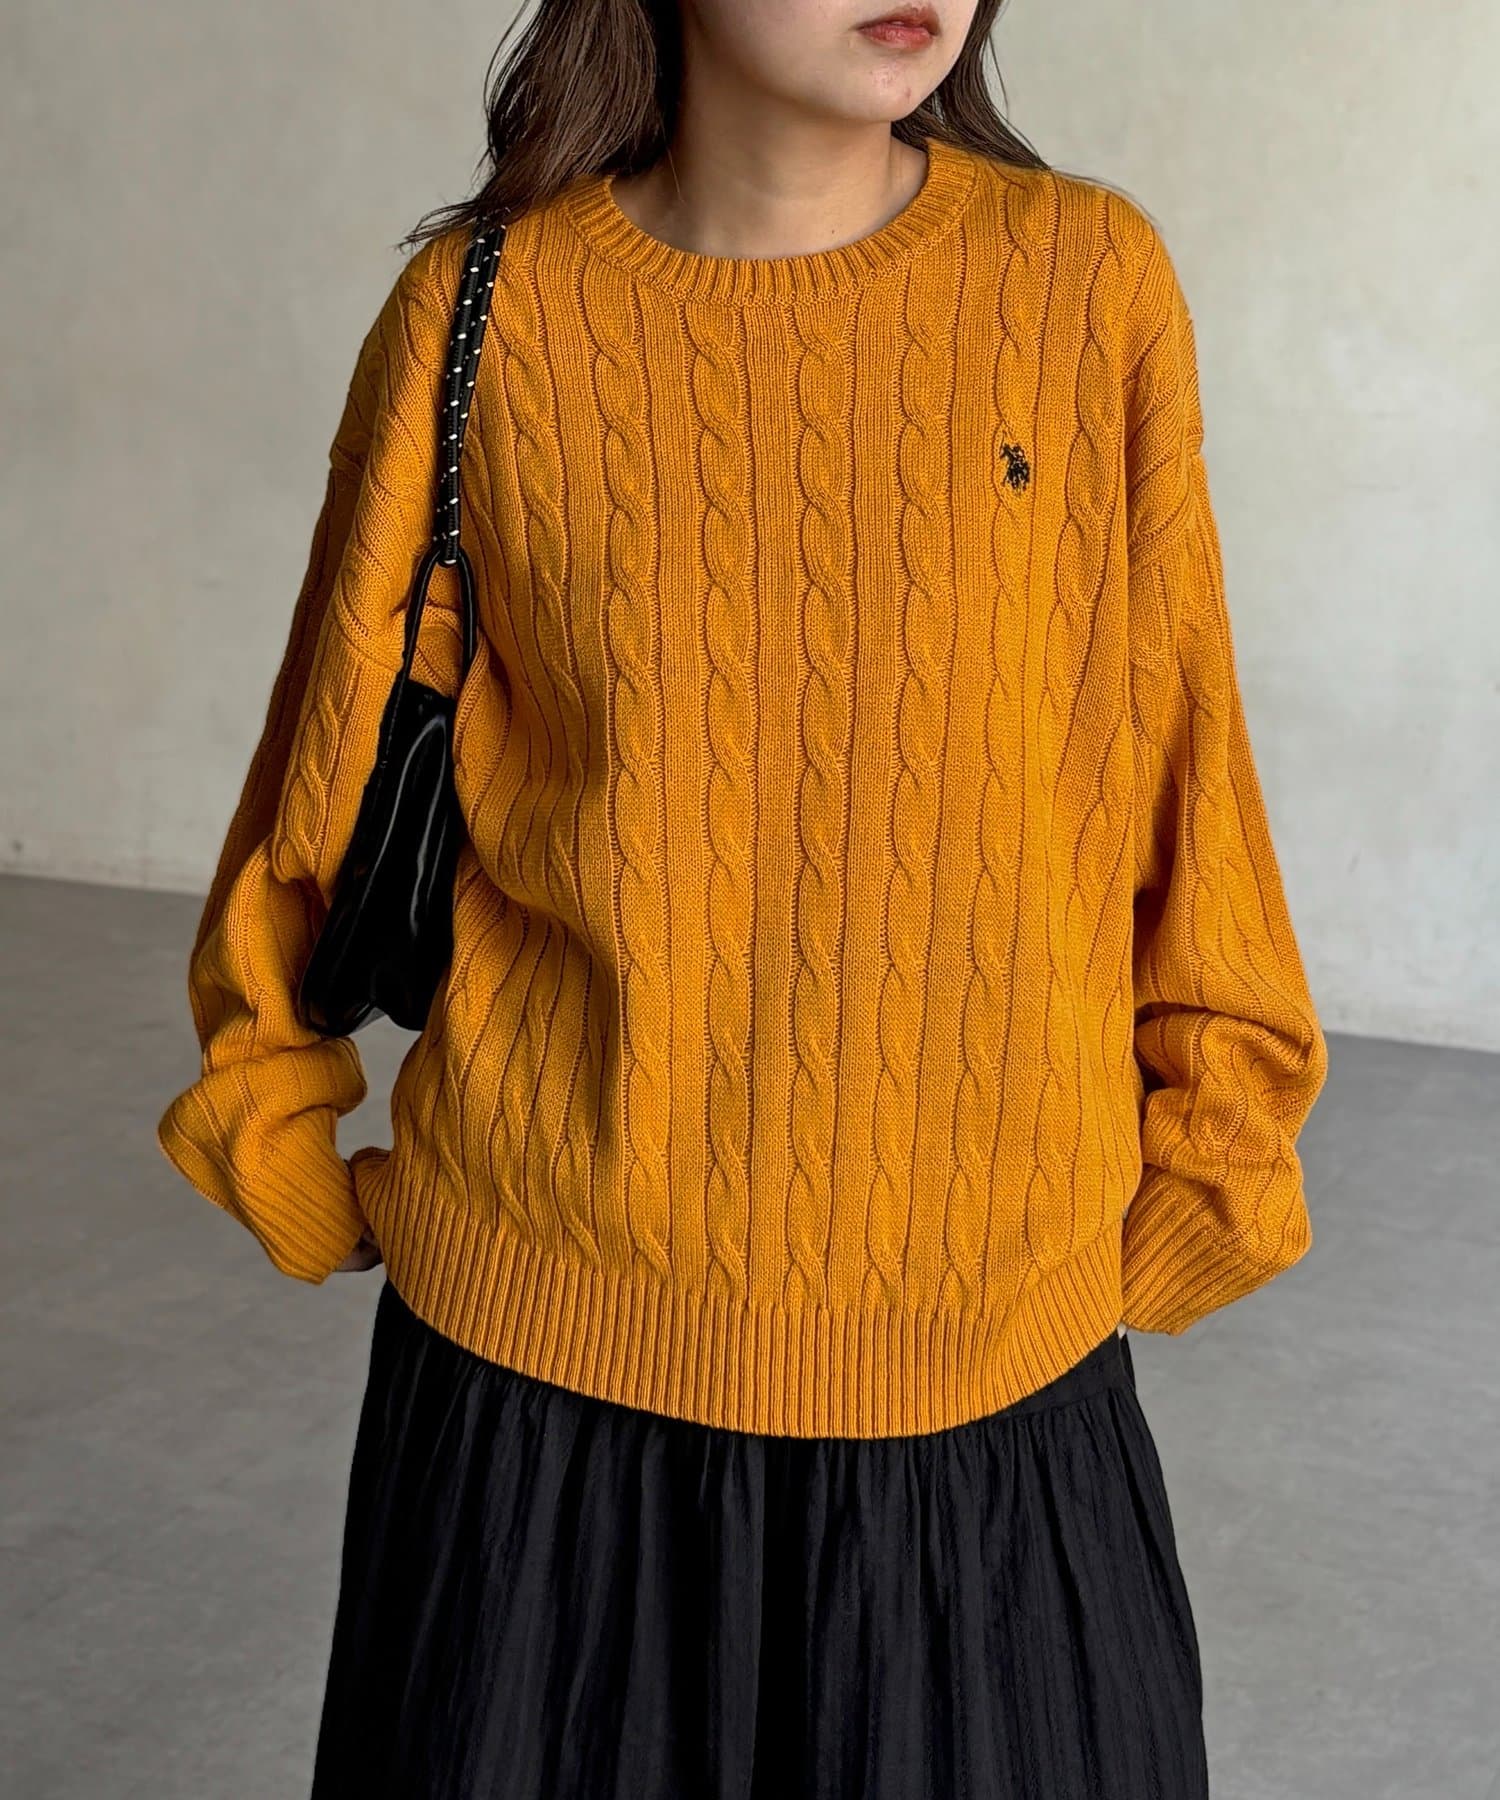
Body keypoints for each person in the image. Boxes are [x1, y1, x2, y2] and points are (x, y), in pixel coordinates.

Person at [154, 2, 1329, 1794]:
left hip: (983, 1379)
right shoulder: (489, 315)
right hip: (539, 1389)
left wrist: (1213, 1162)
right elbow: (320, 780)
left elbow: (1178, 769)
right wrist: (275, 1126)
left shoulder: (1085, 286)